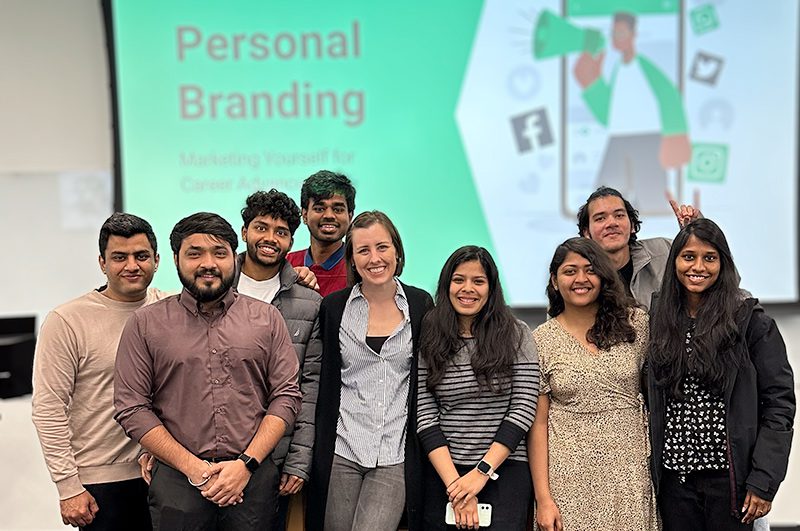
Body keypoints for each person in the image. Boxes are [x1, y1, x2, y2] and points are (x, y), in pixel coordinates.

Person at [114, 212, 302, 531]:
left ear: (234, 256)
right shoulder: (145, 324)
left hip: (252, 479)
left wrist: (245, 465)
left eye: (219, 253)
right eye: (194, 253)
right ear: (175, 259)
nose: (208, 263)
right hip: (177, 481)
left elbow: (286, 397)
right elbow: (131, 407)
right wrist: (193, 468)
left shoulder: (267, 319)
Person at [645, 219, 795, 530]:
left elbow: (779, 404)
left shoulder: (750, 321)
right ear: (673, 261)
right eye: (688, 256)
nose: (697, 266)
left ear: (723, 264)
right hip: (675, 482)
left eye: (709, 257)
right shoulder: (658, 321)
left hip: (730, 482)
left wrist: (764, 479)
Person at [31, 213, 164, 530]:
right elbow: (49, 407)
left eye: (141, 256)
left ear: (157, 261)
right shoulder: (68, 321)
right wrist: (68, 487)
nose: (131, 265)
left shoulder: (171, 307)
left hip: (166, 472)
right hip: (101, 483)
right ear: (102, 263)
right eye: (120, 257)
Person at [307, 210, 433, 531]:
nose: (374, 258)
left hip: (394, 452)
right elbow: (322, 379)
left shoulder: (420, 305)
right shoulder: (333, 307)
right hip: (341, 448)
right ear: (351, 258)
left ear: (397, 251)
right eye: (363, 250)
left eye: (382, 247)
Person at [529, 237, 658, 531]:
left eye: (589, 270)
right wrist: (543, 499)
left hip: (630, 472)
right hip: (568, 478)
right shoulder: (541, 340)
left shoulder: (636, 324)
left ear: (603, 276)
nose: (580, 279)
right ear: (554, 280)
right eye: (570, 271)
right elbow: (538, 424)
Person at [417, 246, 539, 530]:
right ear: (447, 284)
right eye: (459, 280)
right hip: (444, 470)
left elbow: (523, 409)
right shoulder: (431, 335)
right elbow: (425, 414)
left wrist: (481, 473)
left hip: (504, 469)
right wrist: (456, 486)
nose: (467, 289)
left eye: (478, 281)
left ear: (491, 288)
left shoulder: (517, 334)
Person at [234, 189, 322, 530]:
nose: (270, 239)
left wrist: (299, 461)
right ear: (244, 232)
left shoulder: (309, 303)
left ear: (291, 240)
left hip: (275, 458)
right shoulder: (214, 290)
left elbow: (309, 387)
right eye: (261, 227)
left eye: (281, 232)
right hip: (210, 456)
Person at [573, 11, 690, 214]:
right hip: (618, 140)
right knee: (601, 201)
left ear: (633, 34)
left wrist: (674, 138)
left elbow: (669, 96)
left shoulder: (644, 67)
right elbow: (608, 111)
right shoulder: (618, 68)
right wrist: (592, 82)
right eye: (613, 33)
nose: (615, 39)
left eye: (621, 33)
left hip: (646, 141)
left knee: (652, 199)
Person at [577, 185, 700, 308]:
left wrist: (696, 231)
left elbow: (706, 262)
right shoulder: (580, 274)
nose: (611, 223)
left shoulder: (664, 251)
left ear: (632, 226)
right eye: (600, 218)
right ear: (587, 232)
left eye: (619, 215)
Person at [287, 170, 357, 296]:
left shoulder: (359, 266)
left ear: (350, 216)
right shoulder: (286, 264)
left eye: (338, 209)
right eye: (319, 209)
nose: (329, 215)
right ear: (304, 215)